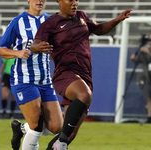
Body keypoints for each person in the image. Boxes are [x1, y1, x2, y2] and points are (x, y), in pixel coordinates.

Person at [30, 0, 132, 149]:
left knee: (69, 135)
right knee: (84, 95)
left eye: (77, 0)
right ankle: (60, 143)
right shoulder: (51, 22)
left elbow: (99, 29)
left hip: (85, 76)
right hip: (65, 73)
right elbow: (35, 44)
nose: (75, 3)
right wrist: (39, 46)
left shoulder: (82, 16)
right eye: (70, 0)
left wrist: (117, 19)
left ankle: (59, 143)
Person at [0, 0, 63, 149]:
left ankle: (21, 129)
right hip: (24, 79)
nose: (39, 1)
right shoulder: (18, 22)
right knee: (36, 126)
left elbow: (54, 49)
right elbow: (1, 49)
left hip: (44, 80)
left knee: (57, 127)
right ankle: (28, 131)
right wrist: (17, 52)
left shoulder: (51, 21)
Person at [131, 34, 151, 123]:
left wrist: (148, 52)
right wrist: (133, 59)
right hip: (147, 76)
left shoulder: (147, 51)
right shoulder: (144, 50)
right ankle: (150, 116)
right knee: (149, 97)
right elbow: (139, 62)